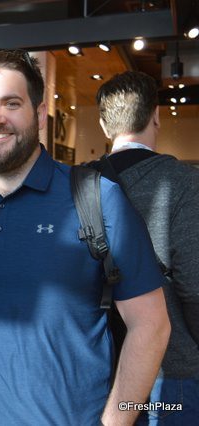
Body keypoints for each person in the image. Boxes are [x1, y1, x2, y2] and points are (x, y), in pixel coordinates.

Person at [0, 49, 170, 425]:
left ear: (40, 112)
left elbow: (151, 325)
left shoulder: (97, 198)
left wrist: (116, 421)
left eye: (11, 103)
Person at [91, 70, 199, 425]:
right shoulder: (186, 183)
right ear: (156, 116)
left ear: (104, 127)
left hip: (99, 371)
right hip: (170, 373)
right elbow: (194, 287)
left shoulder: (77, 184)